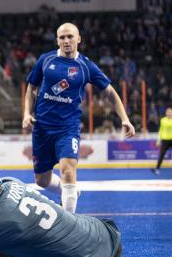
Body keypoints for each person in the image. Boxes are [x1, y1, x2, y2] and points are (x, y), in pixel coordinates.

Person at [22, 22, 135, 213]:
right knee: (42, 180)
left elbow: (109, 92)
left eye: (70, 37)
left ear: (79, 39)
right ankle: (71, 191)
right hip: (42, 128)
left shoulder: (86, 66)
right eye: (62, 37)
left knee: (67, 172)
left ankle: (68, 224)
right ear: (57, 40)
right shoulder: (45, 60)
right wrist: (26, 114)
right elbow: (32, 89)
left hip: (68, 128)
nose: (66, 41)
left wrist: (125, 118)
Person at [151, 107, 172, 174]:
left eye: (170, 112)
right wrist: (158, 140)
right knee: (161, 155)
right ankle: (157, 168)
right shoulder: (163, 120)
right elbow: (161, 130)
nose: (169, 113)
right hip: (165, 140)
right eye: (168, 112)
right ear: (166, 113)